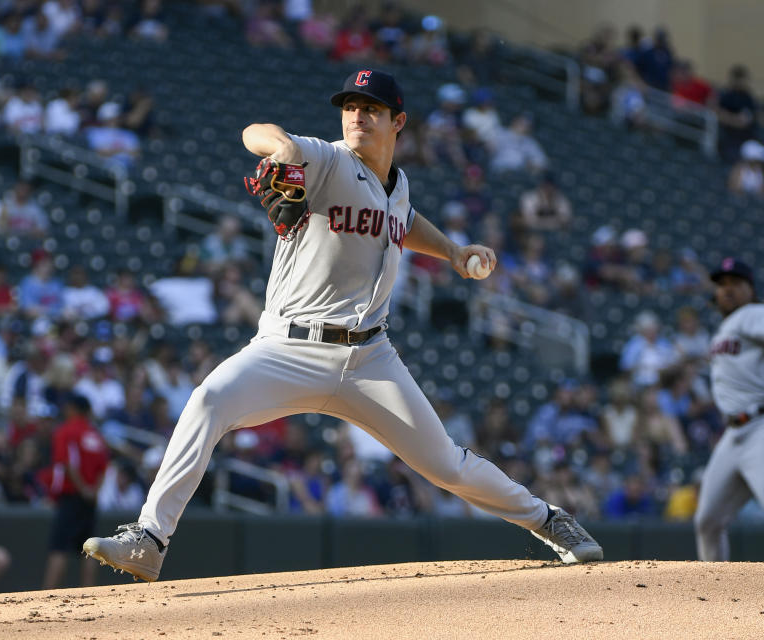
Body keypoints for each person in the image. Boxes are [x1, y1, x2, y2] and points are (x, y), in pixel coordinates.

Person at [82, 69, 602, 582]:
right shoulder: (326, 159)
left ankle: (550, 521)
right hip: (289, 346)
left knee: (446, 464)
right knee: (208, 400)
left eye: (371, 109)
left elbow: (402, 219)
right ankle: (149, 539)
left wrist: (451, 251)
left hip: (370, 358)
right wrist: (282, 151)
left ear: (399, 121)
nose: (358, 116)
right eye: (351, 107)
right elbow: (255, 134)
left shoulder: (397, 187)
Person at [694, 258, 764, 561]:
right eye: (722, 285)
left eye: (735, 283)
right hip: (734, 434)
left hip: (759, 427)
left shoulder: (752, 314)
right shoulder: (726, 327)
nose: (727, 290)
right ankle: (715, 593)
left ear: (751, 289)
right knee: (707, 521)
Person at [42, 395, 109, 589]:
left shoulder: (66, 431)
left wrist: (83, 489)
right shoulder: (95, 434)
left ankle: (47, 595)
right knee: (89, 548)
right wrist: (93, 491)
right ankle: (88, 593)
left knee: (59, 547)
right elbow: (104, 468)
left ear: (72, 408)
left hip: (72, 497)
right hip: (89, 500)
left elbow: (67, 464)